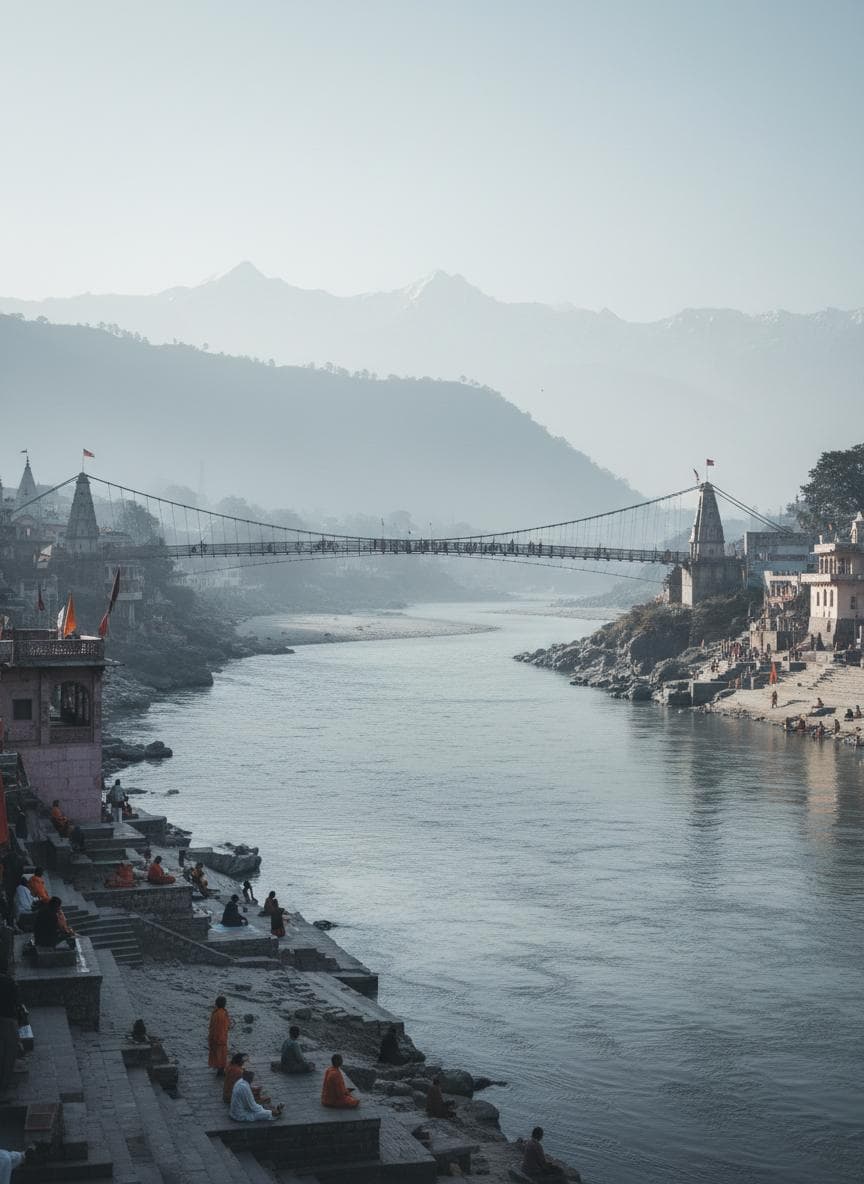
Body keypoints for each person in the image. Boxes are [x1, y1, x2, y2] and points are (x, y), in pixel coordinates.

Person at [0, 973, 20, 1094]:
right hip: (8, 1021)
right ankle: (3, 1086)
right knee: (9, 1055)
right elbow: (16, 1001)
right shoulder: (9, 981)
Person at [208, 996, 231, 1075]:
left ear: (216, 1003)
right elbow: (227, 1025)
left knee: (216, 1054)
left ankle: (218, 1068)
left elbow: (212, 1026)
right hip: (221, 1038)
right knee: (222, 1055)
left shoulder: (215, 1013)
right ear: (224, 1004)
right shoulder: (223, 1013)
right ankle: (221, 1070)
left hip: (215, 1037)